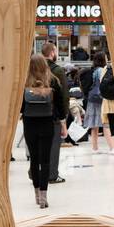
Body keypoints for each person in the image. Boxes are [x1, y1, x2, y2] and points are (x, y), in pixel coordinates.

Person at [21, 53, 67, 208]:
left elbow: (20, 107)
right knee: (45, 160)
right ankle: (44, 196)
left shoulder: (24, 82)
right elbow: (61, 105)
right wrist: (62, 122)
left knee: (33, 159)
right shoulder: (53, 81)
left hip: (30, 123)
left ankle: (36, 194)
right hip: (48, 123)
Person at [40, 41, 70, 185]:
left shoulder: (34, 68)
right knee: (53, 145)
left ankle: (34, 173)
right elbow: (63, 96)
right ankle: (52, 174)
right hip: (52, 114)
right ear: (52, 53)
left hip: (33, 113)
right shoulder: (57, 70)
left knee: (37, 145)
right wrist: (64, 118)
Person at [81, 51, 109, 152]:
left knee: (94, 125)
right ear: (102, 59)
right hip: (101, 99)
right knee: (106, 124)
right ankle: (112, 147)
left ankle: (95, 148)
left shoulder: (93, 70)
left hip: (92, 99)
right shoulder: (102, 70)